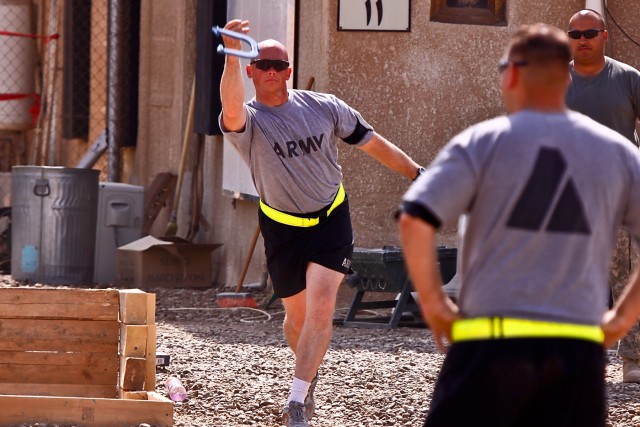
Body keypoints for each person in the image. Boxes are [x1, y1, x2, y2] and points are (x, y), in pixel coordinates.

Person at [398, 23, 640, 427]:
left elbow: (415, 219)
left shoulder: (481, 142)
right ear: (567, 77)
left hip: (488, 342)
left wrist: (435, 303)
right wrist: (622, 317)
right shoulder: (617, 151)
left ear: (510, 74)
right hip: (576, 350)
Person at [217, 19, 422, 427]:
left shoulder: (325, 106)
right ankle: (307, 376)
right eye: (262, 65)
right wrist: (230, 56)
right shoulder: (250, 122)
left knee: (322, 307)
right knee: (296, 320)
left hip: (331, 218)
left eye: (278, 64)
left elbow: (373, 143)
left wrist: (418, 174)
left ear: (289, 70)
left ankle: (296, 401)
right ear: (251, 71)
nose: (271, 71)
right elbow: (231, 108)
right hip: (282, 228)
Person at [566, 8, 640, 383]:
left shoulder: (628, 79)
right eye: (575, 34)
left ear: (605, 36)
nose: (582, 40)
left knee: (625, 276)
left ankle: (633, 358)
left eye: (590, 33)